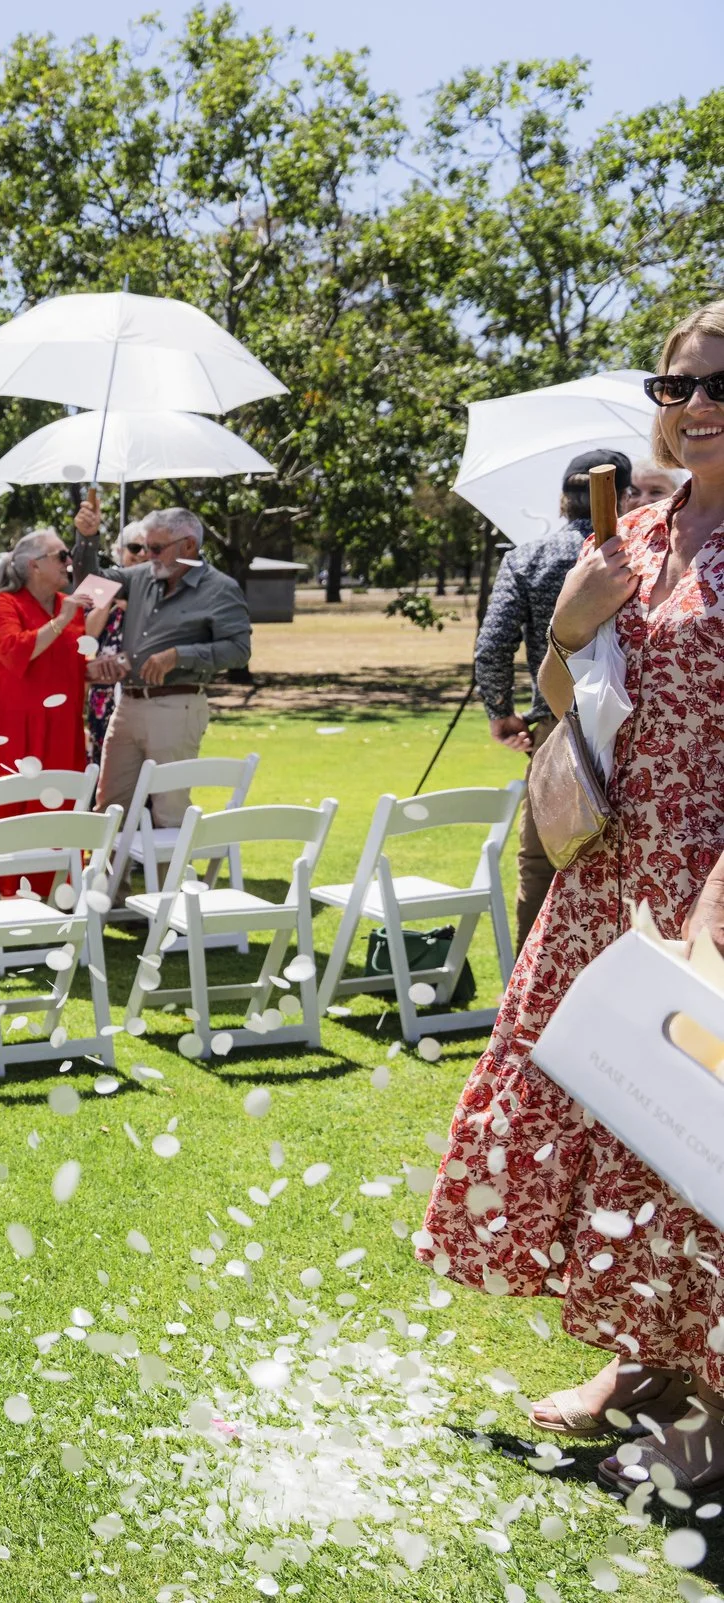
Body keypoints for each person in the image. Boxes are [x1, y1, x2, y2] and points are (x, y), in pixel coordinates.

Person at [424, 300, 724, 1487]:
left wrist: (714, 906)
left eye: (720, 385)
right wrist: (565, 622)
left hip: (705, 881)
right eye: (674, 385)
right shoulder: (635, 532)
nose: (694, 406)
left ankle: (712, 1398)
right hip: (607, 874)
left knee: (703, 1141)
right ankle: (637, 1362)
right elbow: (567, 694)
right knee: (613, 1119)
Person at [474, 450, 629, 947]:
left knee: (542, 860)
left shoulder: (526, 557)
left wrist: (502, 713)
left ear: (563, 500)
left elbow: (492, 647)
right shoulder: (642, 556)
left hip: (556, 724)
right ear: (623, 496)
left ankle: (536, 994)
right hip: (639, 723)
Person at [69, 503, 253, 833]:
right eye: (146, 547)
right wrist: (87, 539)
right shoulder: (141, 578)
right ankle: (110, 886)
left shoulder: (220, 589)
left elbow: (239, 651)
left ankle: (172, 884)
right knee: (109, 809)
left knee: (169, 810)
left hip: (177, 706)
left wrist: (179, 655)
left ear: (189, 546)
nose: (148, 556)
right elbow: (89, 589)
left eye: (156, 548)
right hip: (127, 705)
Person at [0, 529, 98, 891]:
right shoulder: (7, 604)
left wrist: (99, 669)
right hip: (12, 731)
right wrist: (61, 619)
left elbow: (70, 664)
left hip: (61, 731)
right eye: (61, 555)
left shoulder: (69, 605)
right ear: (34, 566)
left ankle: (51, 892)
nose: (68, 562)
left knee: (56, 812)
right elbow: (15, 653)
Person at [85, 522, 145, 762]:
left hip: (139, 691)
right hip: (103, 692)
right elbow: (86, 635)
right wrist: (109, 597)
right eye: (134, 547)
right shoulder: (98, 582)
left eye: (148, 549)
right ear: (119, 551)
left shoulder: (158, 587)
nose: (141, 554)